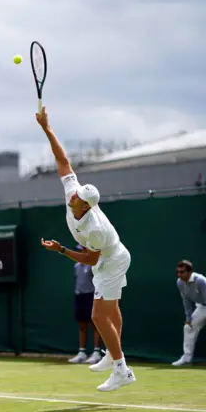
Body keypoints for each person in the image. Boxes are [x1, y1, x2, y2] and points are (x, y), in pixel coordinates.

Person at [37, 106, 135, 392]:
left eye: (78, 198)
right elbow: (63, 160)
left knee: (97, 315)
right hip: (113, 255)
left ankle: (121, 370)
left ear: (86, 206)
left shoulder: (94, 230)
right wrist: (47, 127)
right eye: (75, 193)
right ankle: (112, 353)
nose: (72, 197)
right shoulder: (73, 194)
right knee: (111, 308)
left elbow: (91, 260)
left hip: (111, 259)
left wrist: (61, 250)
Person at [68, 244, 103, 365]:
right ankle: (82, 353)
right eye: (79, 250)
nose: (80, 252)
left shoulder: (94, 265)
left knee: (95, 325)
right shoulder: (76, 266)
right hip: (80, 296)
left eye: (82, 250)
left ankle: (96, 352)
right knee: (82, 325)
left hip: (92, 296)